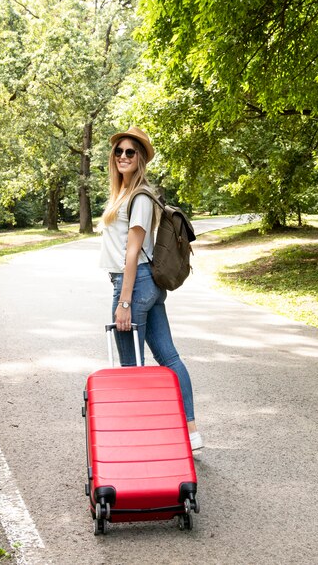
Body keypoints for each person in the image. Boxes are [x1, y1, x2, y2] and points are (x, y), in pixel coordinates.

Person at [99, 126, 203, 450]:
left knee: (132, 368)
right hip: (146, 286)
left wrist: (125, 302)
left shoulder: (139, 197)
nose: (123, 156)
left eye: (131, 152)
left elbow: (132, 251)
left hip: (135, 286)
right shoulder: (124, 193)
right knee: (169, 359)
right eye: (119, 151)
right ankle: (191, 434)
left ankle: (144, 440)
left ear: (141, 158)